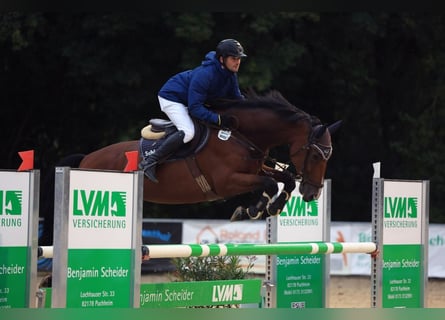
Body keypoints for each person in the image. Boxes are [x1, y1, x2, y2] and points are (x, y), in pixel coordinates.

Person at [140, 38, 247, 183]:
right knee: (189, 132)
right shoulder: (206, 74)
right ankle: (149, 162)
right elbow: (195, 109)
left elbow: (236, 99)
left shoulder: (230, 75)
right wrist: (219, 119)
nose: (237, 62)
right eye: (234, 58)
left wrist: (254, 108)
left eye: (239, 58)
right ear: (222, 59)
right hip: (171, 98)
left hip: (189, 101)